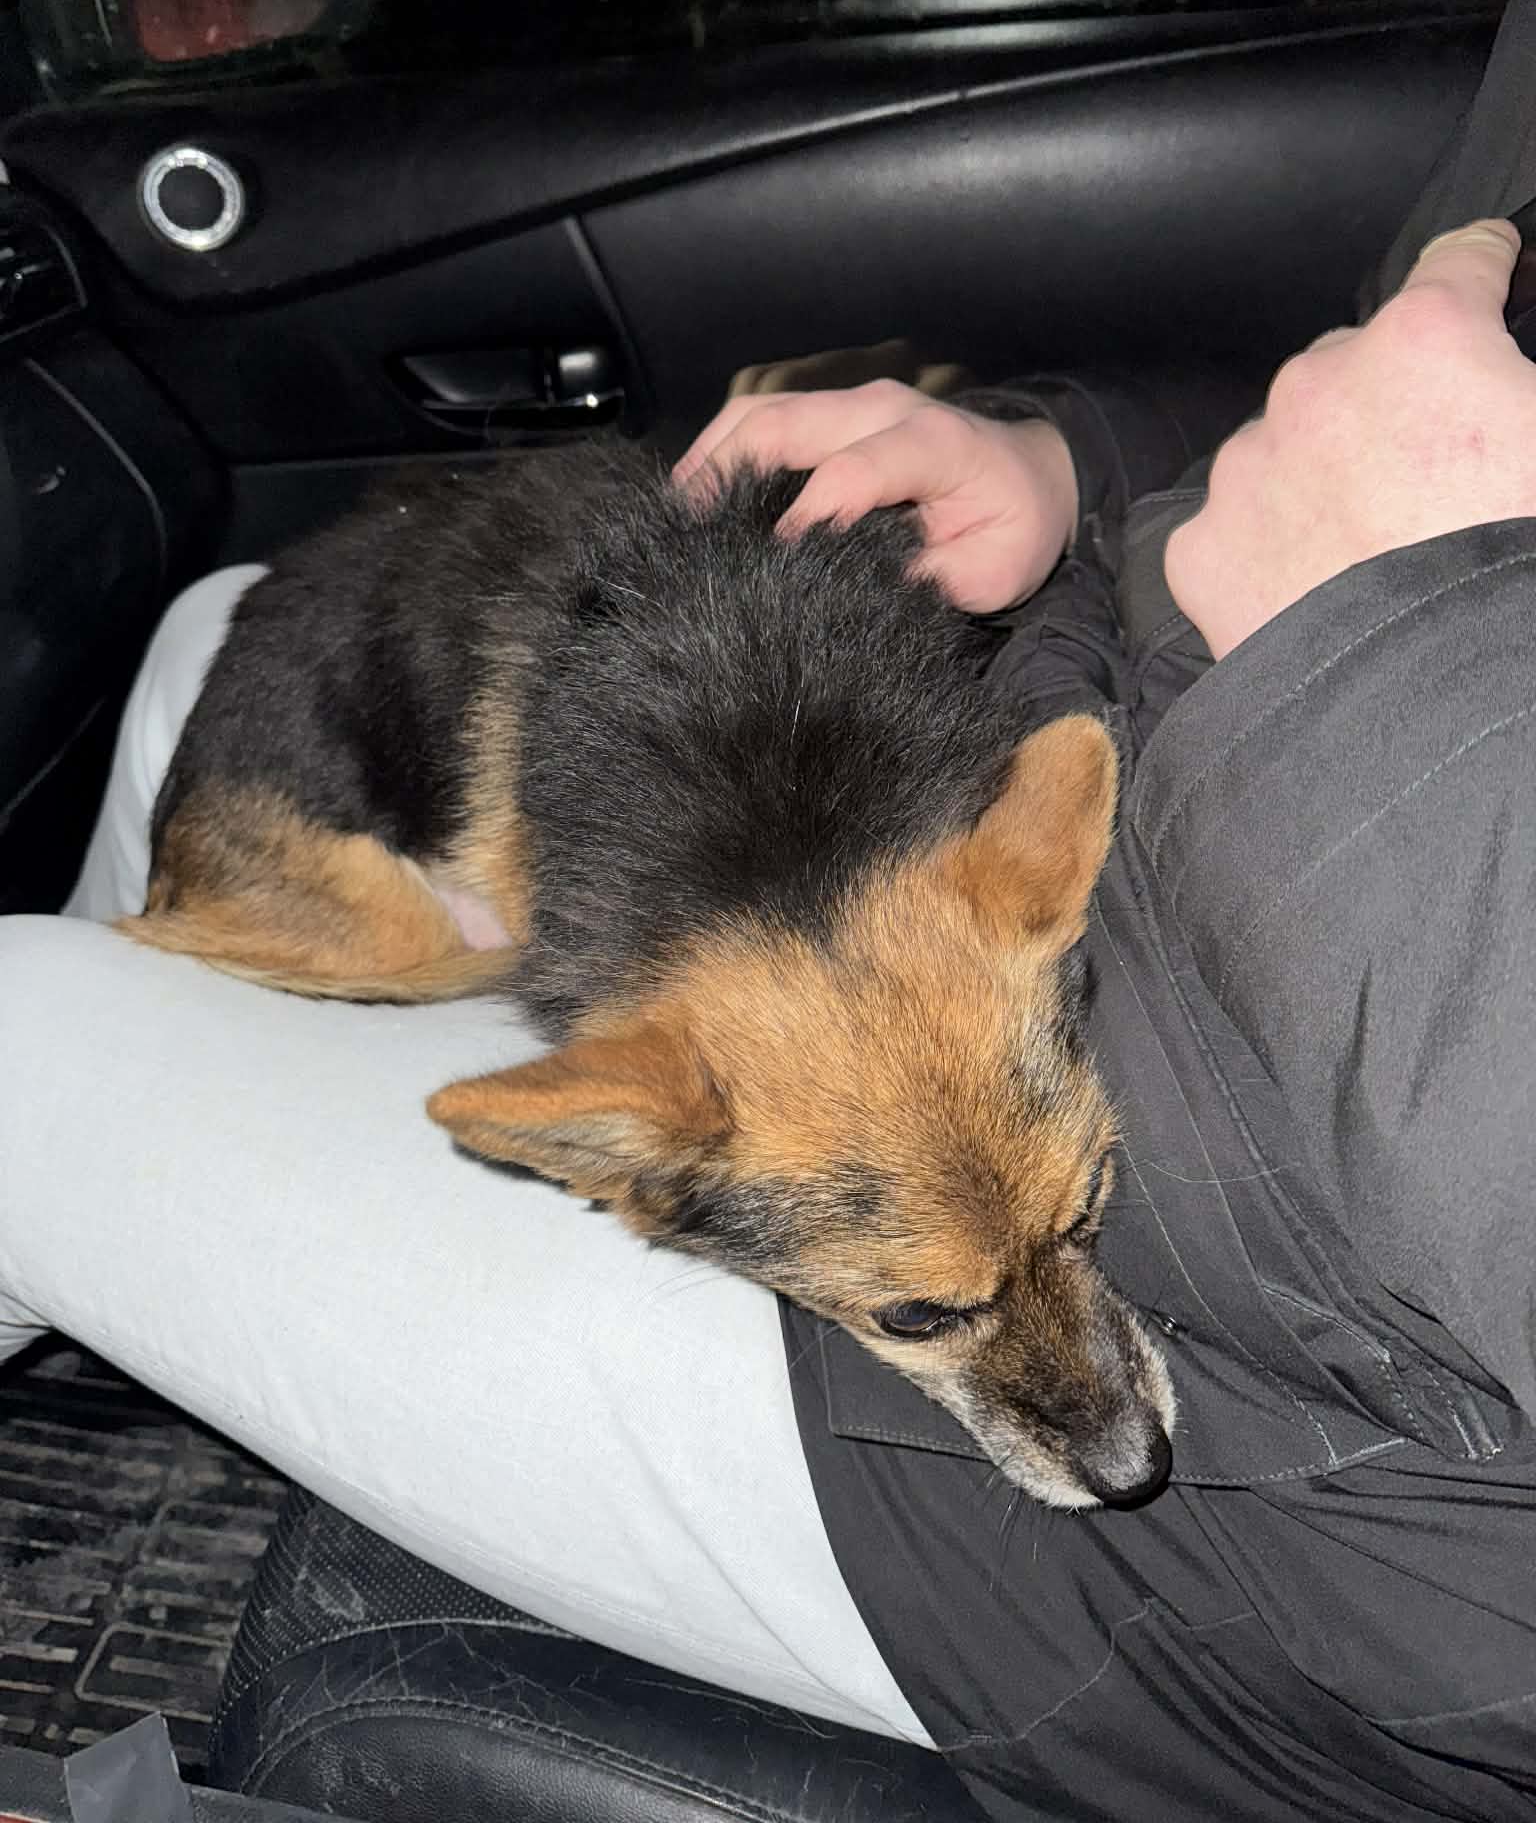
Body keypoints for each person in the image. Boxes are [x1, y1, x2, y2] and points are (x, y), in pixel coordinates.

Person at [5, 148, 1536, 1823]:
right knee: (211, 628)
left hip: (1307, 1515)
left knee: (19, 1035)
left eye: (922, 1309)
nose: (1115, 1436)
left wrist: (1419, 646)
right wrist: (1077, 468)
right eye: (931, 1311)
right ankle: (129, 1130)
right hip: (1025, 831)